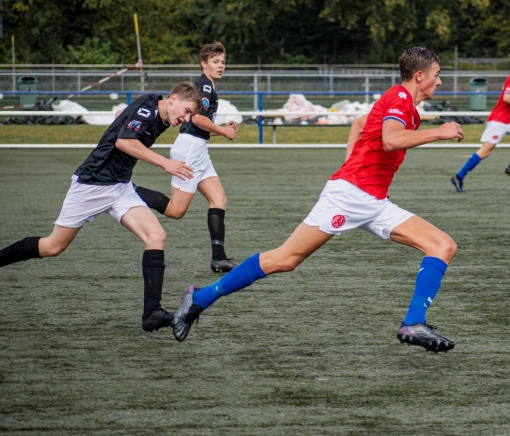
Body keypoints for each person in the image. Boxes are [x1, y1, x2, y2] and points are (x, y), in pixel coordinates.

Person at [171, 46, 465, 353]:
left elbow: (358, 125)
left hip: (371, 200)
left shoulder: (404, 104)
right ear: (420, 76)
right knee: (285, 259)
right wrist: (438, 133)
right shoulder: (400, 98)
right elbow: (391, 140)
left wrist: (352, 166)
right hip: (350, 198)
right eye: (437, 75)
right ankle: (199, 298)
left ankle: (413, 322)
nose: (440, 82)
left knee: (443, 245)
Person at [0, 83, 202, 332]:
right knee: (53, 246)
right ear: (173, 99)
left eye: (190, 116)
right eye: (186, 111)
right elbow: (124, 142)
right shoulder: (149, 110)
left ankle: (151, 313)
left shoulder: (156, 109)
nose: (185, 119)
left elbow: (123, 118)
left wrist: (122, 120)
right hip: (93, 184)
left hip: (120, 187)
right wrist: (165, 163)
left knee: (156, 236)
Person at [132, 42, 241, 273]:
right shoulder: (204, 86)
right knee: (175, 211)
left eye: (223, 62)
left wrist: (220, 128)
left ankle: (219, 259)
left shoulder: (208, 86)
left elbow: (202, 126)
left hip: (199, 149)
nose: (220, 66)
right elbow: (196, 119)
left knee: (219, 199)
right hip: (190, 149)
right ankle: (129, 190)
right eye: (215, 62)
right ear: (204, 64)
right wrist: (223, 131)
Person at [451, 49, 510, 192]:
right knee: (485, 152)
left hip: (506, 120)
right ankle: (459, 177)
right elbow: (507, 98)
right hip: (498, 120)